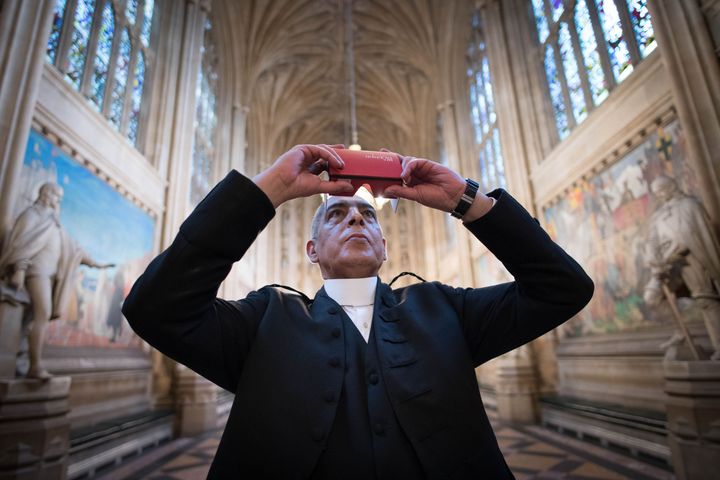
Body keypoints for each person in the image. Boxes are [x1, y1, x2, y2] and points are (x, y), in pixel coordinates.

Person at [122, 144, 594, 479]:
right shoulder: (265, 321)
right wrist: (270, 188)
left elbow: (562, 289)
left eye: (368, 216)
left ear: (384, 248)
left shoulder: (444, 309)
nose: (355, 217)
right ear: (312, 249)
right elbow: (156, 309)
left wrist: (465, 200)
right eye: (337, 214)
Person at [0, 182, 113, 379]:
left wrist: (96, 264)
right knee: (43, 313)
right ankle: (34, 367)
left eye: (60, 197)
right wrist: (19, 268)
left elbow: (74, 249)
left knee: (31, 319)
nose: (58, 200)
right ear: (45, 193)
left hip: (51, 276)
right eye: (55, 196)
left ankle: (22, 358)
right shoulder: (31, 215)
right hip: (36, 272)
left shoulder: (55, 222)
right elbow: (20, 244)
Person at [643, 175, 720, 360]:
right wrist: (654, 260)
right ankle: (680, 332)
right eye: (656, 192)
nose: (660, 194)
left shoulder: (689, 205)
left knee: (705, 299)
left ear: (671, 186)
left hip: (690, 259)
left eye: (662, 189)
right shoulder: (659, 215)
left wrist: (669, 255)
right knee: (652, 296)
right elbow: (653, 240)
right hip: (666, 265)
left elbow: (689, 235)